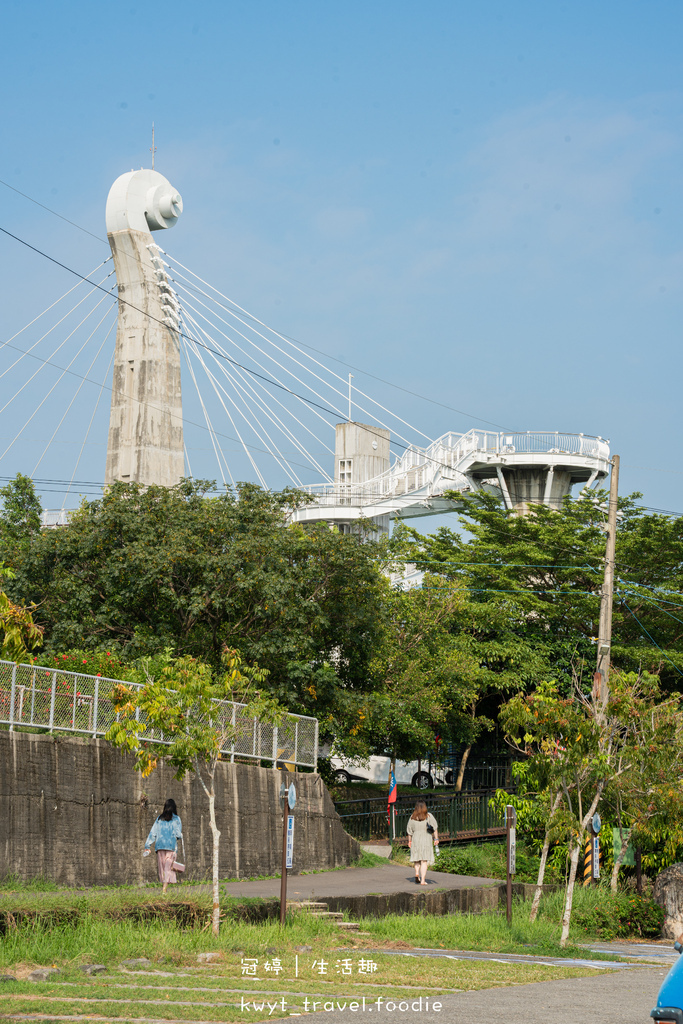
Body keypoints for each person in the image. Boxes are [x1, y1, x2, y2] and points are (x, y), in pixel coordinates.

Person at [144, 798, 183, 894]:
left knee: (163, 869)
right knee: (168, 868)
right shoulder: (176, 819)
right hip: (171, 847)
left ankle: (164, 890)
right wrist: (180, 835)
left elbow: (153, 833)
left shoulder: (159, 818)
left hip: (160, 847)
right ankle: (164, 890)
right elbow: (178, 835)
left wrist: (147, 846)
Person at [406, 800, 439, 885]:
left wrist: (410, 841)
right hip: (426, 838)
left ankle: (417, 873)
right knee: (424, 861)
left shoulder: (412, 817)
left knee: (417, 859)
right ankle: (423, 880)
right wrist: (436, 839)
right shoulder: (429, 816)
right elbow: (434, 828)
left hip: (416, 839)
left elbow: (409, 831)